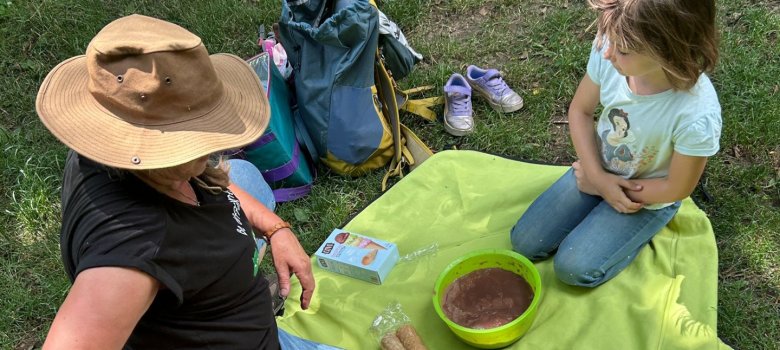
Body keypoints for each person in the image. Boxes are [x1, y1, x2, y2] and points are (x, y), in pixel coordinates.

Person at [36, 14, 338, 349]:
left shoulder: (110, 153)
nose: (217, 141)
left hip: (241, 323)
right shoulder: (135, 252)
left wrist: (275, 228)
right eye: (197, 136)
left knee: (244, 174)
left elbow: (209, 179)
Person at [510, 0, 721, 287]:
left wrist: (605, 188)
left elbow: (678, 187)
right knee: (523, 242)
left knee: (572, 268)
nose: (607, 53)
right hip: (597, 171)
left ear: (668, 50)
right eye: (609, 41)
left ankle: (631, 235)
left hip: (646, 198)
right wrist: (596, 176)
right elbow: (580, 111)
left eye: (622, 50)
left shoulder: (696, 115)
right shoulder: (611, 47)